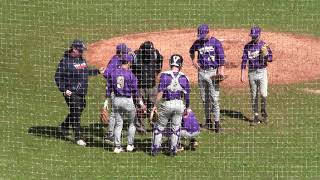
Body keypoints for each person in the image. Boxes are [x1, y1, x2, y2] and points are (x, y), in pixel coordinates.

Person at [54, 39, 104, 146]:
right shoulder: (65, 62)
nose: (82, 52)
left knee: (81, 107)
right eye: (80, 50)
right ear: (74, 49)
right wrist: (64, 89)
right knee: (76, 112)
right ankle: (78, 137)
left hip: (81, 91)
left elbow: (85, 72)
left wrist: (98, 71)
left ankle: (64, 126)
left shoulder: (81, 59)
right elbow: (57, 77)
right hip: (71, 92)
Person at [151, 54, 191, 157]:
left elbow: (160, 92)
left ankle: (155, 149)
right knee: (176, 128)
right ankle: (173, 150)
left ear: (170, 63)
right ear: (180, 64)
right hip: (179, 104)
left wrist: (155, 105)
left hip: (167, 104)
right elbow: (187, 96)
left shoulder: (165, 75)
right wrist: (187, 108)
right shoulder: (184, 77)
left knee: (159, 127)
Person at [105, 54, 146, 153]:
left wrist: (106, 101)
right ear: (128, 62)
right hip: (127, 101)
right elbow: (135, 91)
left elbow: (108, 88)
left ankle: (117, 147)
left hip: (116, 101)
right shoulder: (131, 75)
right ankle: (130, 145)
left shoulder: (113, 73)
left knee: (119, 124)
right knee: (132, 124)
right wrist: (141, 103)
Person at [189, 24, 225, 133]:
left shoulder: (216, 42)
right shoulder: (198, 42)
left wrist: (220, 73)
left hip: (212, 72)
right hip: (201, 73)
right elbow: (191, 51)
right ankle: (208, 121)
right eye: (200, 35)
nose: (202, 37)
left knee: (214, 98)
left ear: (208, 32)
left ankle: (217, 124)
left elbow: (222, 59)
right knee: (205, 99)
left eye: (203, 35)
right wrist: (194, 61)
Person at [240, 26, 273, 125]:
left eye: (255, 36)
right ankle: (256, 117)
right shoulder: (247, 46)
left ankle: (263, 111)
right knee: (254, 96)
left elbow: (270, 59)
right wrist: (242, 74)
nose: (253, 38)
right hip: (251, 73)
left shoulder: (264, 46)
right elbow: (244, 61)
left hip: (262, 72)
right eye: (252, 36)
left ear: (259, 35)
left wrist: (266, 54)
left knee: (263, 94)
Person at [102, 43, 132, 143]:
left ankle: (114, 131)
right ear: (121, 53)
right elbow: (106, 74)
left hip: (119, 89)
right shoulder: (115, 61)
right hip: (114, 90)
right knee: (114, 113)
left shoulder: (120, 60)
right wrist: (115, 78)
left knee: (118, 112)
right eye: (126, 52)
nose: (128, 53)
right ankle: (110, 134)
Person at [132, 41, 163, 133]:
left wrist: (157, 71)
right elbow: (132, 67)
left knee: (152, 106)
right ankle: (140, 127)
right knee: (140, 106)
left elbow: (160, 60)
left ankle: (153, 124)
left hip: (152, 85)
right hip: (140, 86)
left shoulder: (155, 53)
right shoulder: (137, 55)